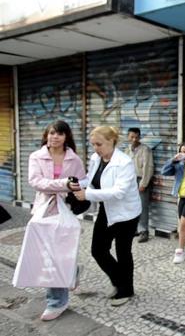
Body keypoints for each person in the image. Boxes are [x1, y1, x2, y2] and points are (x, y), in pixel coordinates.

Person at [73, 126, 141, 307]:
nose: (95, 148)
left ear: (112, 141)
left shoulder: (124, 162)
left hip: (126, 213)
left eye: (99, 144)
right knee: (98, 250)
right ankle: (119, 282)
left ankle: (126, 290)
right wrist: (76, 184)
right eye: (93, 144)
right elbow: (91, 179)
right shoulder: (96, 158)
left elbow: (119, 192)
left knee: (123, 252)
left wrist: (87, 195)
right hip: (107, 210)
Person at [27, 120, 85, 321]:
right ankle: (70, 275)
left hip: (65, 210)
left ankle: (57, 301)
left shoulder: (74, 159)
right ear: (46, 135)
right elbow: (36, 182)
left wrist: (75, 188)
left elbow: (81, 182)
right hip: (44, 210)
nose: (55, 137)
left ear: (66, 137)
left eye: (60, 134)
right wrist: (63, 184)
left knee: (57, 255)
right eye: (52, 133)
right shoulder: (36, 156)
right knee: (49, 256)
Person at [125, 127, 154, 243]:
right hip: (129, 181)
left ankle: (144, 231)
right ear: (128, 136)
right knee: (132, 205)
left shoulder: (145, 149)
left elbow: (149, 167)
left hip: (141, 179)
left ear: (139, 137)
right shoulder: (127, 150)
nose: (134, 139)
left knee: (142, 206)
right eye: (132, 137)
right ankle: (134, 229)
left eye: (136, 137)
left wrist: (144, 183)